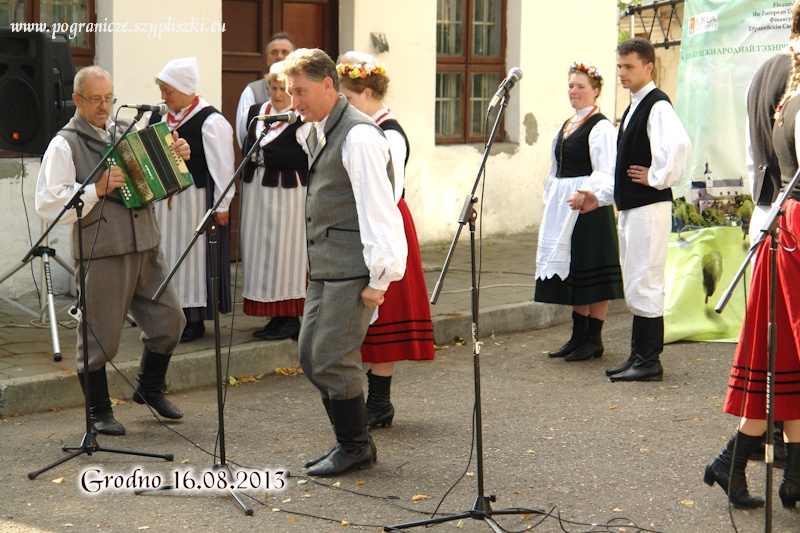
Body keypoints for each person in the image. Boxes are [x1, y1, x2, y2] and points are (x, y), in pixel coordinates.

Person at [35, 66, 188, 435]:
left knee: (171, 321)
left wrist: (177, 154)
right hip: (103, 250)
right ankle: (99, 411)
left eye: (109, 98)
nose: (104, 107)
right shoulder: (64, 143)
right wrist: (95, 189)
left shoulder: (125, 132)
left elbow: (154, 180)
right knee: (99, 336)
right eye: (95, 100)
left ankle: (149, 389)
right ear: (76, 100)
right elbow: (48, 205)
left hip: (146, 245)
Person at [280, 48, 407, 476]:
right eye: (288, 92)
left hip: (354, 269)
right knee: (312, 356)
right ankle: (351, 442)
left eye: (300, 91)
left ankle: (355, 447)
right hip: (326, 267)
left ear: (329, 85)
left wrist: (381, 279)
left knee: (334, 357)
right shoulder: (320, 129)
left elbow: (381, 210)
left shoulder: (360, 136)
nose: (293, 101)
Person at [704, 4, 800, 510]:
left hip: (770, 213)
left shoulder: (762, 78)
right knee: (780, 351)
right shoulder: (793, 87)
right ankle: (776, 467)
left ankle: (780, 469)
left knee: (779, 353)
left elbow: (752, 158)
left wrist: (757, 211)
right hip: (790, 222)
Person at [569, 38, 691, 382]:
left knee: (646, 279)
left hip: (649, 208)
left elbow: (679, 145)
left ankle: (649, 360)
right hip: (636, 207)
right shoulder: (637, 104)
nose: (622, 73)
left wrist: (655, 177)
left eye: (629, 67)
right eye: (620, 67)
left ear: (648, 67)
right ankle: (639, 355)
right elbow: (623, 166)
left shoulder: (657, 104)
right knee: (636, 279)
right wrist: (601, 197)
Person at [336, 52, 435, 427]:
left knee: (382, 312)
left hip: (385, 223)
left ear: (365, 92)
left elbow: (386, 192)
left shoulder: (387, 132)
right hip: (366, 222)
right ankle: (370, 400)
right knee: (366, 315)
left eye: (346, 96)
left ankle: (379, 402)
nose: (342, 105)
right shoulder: (361, 126)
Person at [534, 61, 623, 362]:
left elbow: (606, 169)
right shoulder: (568, 123)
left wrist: (588, 194)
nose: (574, 91)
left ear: (595, 91)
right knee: (574, 270)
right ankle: (578, 336)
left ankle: (593, 339)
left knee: (591, 270)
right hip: (567, 206)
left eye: (581, 86)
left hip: (589, 206)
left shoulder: (600, 127)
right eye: (571, 85)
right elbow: (557, 166)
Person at [151, 57, 236, 343]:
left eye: (168, 90)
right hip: (164, 203)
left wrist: (221, 206)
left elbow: (223, 167)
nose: (163, 96)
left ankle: (193, 319)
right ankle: (168, 314)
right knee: (165, 257)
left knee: (191, 261)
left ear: (186, 89)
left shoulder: (211, 121)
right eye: (162, 89)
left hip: (195, 202)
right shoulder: (158, 118)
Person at [240, 60, 308, 341]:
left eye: (282, 89)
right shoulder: (257, 113)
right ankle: (273, 314)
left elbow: (308, 156)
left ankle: (289, 317)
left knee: (286, 253)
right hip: (258, 194)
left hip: (289, 196)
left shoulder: (302, 118)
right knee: (261, 251)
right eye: (272, 88)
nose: (277, 94)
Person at [235, 32, 296, 149]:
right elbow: (243, 135)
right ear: (267, 58)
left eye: (285, 52)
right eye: (274, 52)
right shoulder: (252, 91)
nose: (279, 56)